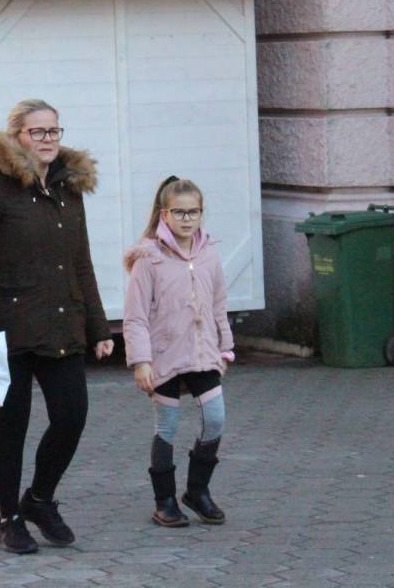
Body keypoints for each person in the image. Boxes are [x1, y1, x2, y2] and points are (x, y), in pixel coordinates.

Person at [0, 98, 114, 554]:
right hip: (6, 329)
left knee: (71, 417)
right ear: (17, 137)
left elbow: (81, 263)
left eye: (53, 131)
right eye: (37, 132)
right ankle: (9, 518)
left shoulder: (68, 189)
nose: (47, 139)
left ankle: (40, 499)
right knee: (11, 427)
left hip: (62, 325)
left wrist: (99, 326)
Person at [122, 176, 235, 527]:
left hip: (203, 355)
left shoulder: (209, 254)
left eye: (193, 212)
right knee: (167, 426)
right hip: (164, 358)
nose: (187, 219)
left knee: (215, 418)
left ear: (201, 213)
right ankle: (165, 501)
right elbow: (136, 316)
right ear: (164, 215)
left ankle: (197, 491)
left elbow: (218, 304)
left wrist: (225, 349)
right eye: (179, 212)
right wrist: (141, 362)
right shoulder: (149, 259)